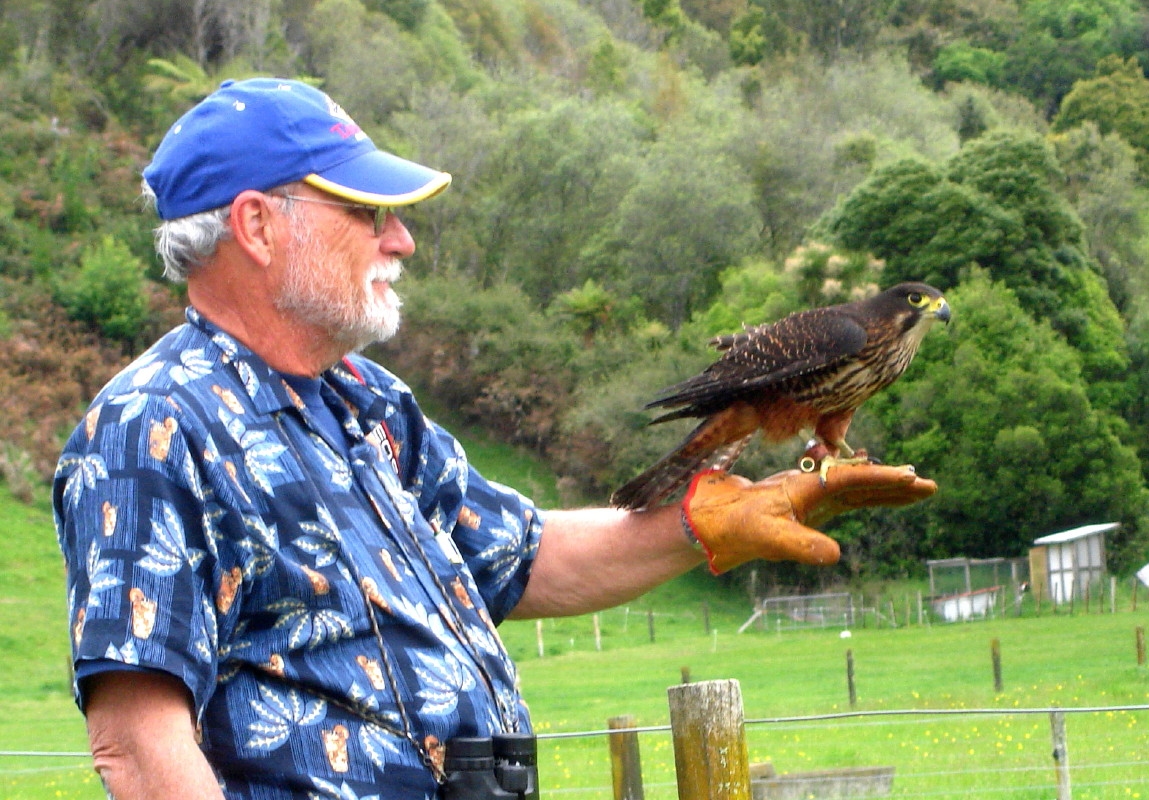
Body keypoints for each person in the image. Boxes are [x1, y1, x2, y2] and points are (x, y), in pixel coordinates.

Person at [53, 78, 936, 800]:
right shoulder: (153, 427)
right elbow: (136, 740)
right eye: (367, 211)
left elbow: (526, 557)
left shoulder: (366, 403)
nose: (399, 238)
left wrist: (711, 521)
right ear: (255, 225)